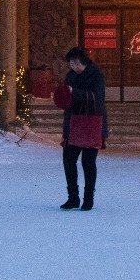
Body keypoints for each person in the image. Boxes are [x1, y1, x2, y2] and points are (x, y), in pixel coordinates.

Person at [52, 45, 106, 211]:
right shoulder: (70, 76)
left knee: (88, 162)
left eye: (76, 63)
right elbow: (67, 101)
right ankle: (72, 198)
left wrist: (74, 92)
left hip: (92, 122)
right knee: (68, 160)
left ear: (84, 61)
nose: (74, 66)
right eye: (71, 63)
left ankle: (88, 198)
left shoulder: (96, 76)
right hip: (73, 122)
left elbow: (97, 99)